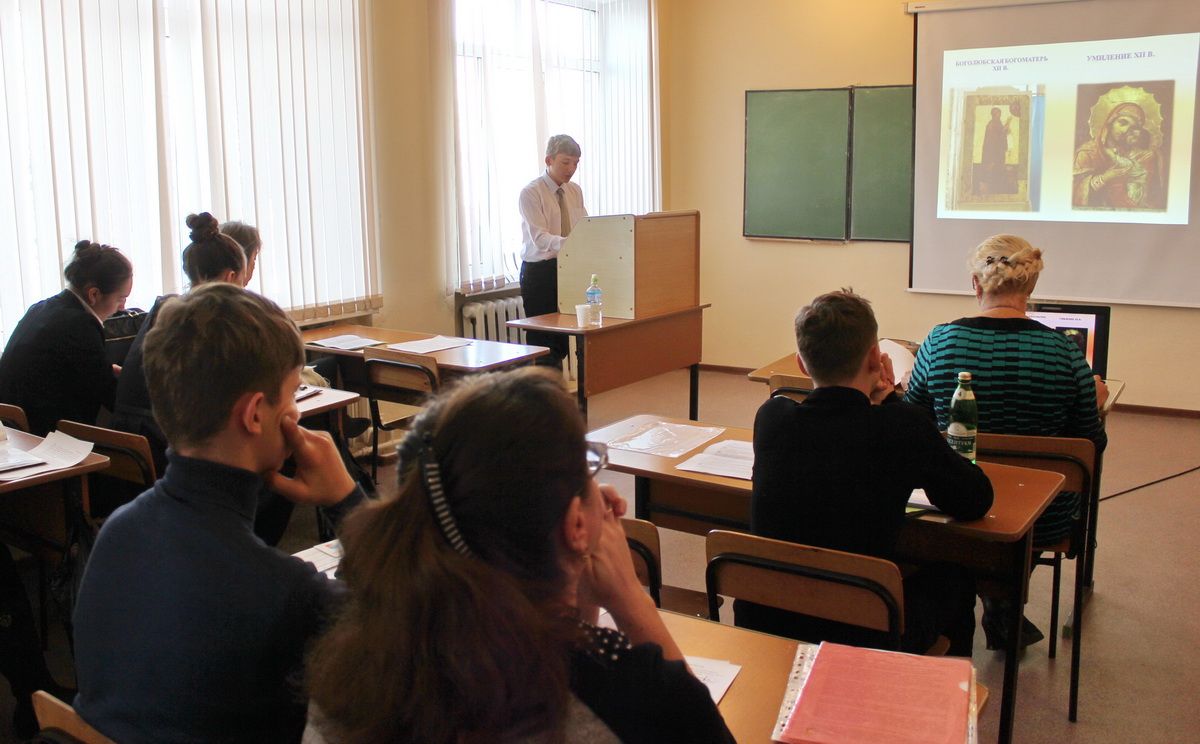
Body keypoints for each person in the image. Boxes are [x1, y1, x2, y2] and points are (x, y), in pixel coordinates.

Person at [304, 367, 733, 744]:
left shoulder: (350, 673)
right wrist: (629, 598)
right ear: (576, 525)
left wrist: (569, 570)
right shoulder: (631, 694)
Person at [73, 283, 365, 743]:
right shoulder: (283, 592)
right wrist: (347, 502)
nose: (297, 412)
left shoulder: (118, 530)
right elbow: (409, 629)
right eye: (293, 395)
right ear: (255, 414)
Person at [742, 290, 993, 657]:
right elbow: (974, 499)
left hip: (768, 622)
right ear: (876, 357)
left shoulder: (771, 418)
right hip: (863, 634)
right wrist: (890, 400)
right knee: (955, 577)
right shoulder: (902, 427)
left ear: (801, 364)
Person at [904, 234, 1109, 648]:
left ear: (975, 284)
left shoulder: (938, 342)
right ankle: (1002, 592)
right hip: (1042, 517)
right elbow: (1091, 446)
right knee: (1030, 496)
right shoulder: (1064, 353)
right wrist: (1095, 398)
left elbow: (913, 426)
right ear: (1030, 288)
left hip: (953, 504)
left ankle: (979, 587)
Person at [111, 212, 247, 474]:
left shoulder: (165, 308)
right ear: (231, 277)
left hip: (129, 442)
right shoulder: (206, 319)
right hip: (165, 446)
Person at [0, 240, 132, 435]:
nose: (123, 307)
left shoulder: (40, 308)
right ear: (94, 294)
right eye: (121, 298)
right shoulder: (81, 325)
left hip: (14, 432)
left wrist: (106, 369)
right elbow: (113, 397)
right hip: (47, 439)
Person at [518, 134, 587, 366]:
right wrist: (573, 243)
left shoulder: (575, 191)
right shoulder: (531, 193)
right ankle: (543, 385)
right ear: (549, 160)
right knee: (544, 341)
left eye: (576, 163)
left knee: (566, 336)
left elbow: (584, 226)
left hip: (567, 269)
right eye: (565, 162)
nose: (571, 169)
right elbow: (540, 238)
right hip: (540, 272)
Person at [1072, 99, 1164, 209]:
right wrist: (1104, 178)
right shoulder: (1088, 152)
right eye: (1123, 123)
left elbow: (1151, 196)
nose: (1126, 130)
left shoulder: (1142, 155)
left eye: (1133, 128)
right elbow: (1074, 192)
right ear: (1110, 122)